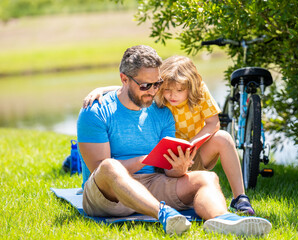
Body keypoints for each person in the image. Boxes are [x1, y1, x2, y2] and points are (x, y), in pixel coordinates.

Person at [77, 45, 272, 236]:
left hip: (154, 183)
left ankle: (223, 219)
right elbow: (99, 170)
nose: (153, 92)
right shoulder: (96, 111)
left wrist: (179, 167)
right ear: (124, 79)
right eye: (145, 86)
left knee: (207, 178)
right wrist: (145, 159)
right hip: (109, 196)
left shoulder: (162, 111)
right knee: (110, 166)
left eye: (157, 84)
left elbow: (169, 172)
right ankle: (163, 213)